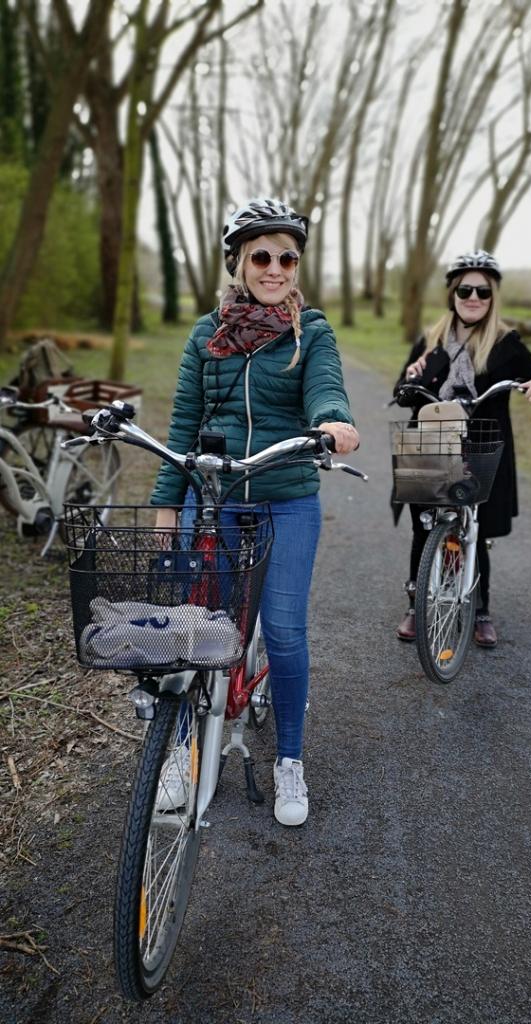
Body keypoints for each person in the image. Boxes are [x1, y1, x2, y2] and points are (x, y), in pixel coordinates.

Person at [150, 197, 359, 826]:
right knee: (193, 629)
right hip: (212, 496)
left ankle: (288, 758)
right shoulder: (204, 335)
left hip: (286, 495)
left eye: (287, 257)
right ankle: (180, 747)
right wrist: (168, 504)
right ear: (239, 261)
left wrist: (333, 420)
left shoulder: (311, 332)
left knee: (287, 631)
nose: (275, 268)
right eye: (262, 255)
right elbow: (183, 424)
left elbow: (326, 386)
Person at [393, 249, 531, 647]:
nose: (473, 298)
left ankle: (480, 608)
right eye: (465, 289)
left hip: (482, 446)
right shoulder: (430, 341)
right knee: (424, 528)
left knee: (476, 527)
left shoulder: (506, 343)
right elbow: (402, 395)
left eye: (483, 292)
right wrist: (413, 375)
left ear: (492, 297)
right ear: (452, 293)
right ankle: (416, 603)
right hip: (431, 443)